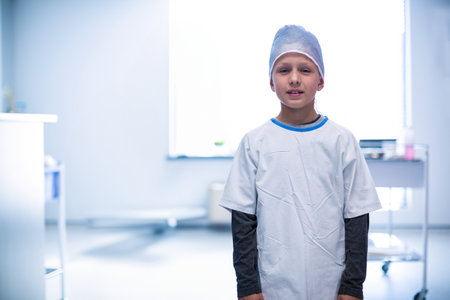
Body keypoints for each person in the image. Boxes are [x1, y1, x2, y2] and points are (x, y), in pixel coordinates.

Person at [219, 25, 382, 300]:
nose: (294, 79)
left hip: (330, 281)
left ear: (321, 80)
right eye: (284, 70)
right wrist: (248, 286)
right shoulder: (255, 143)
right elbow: (243, 222)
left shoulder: (341, 141)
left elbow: (357, 217)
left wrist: (353, 286)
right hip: (273, 284)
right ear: (271, 82)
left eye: (305, 70)